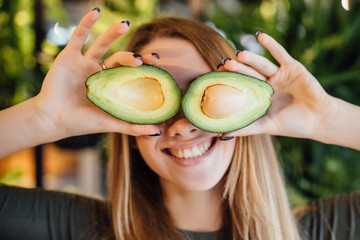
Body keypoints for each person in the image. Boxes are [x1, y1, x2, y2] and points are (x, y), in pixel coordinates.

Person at [0, 7, 359, 240]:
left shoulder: (321, 230)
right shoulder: (80, 229)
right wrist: (42, 119)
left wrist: (328, 120)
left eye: (203, 94)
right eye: (156, 101)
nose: (182, 126)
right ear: (125, 125)